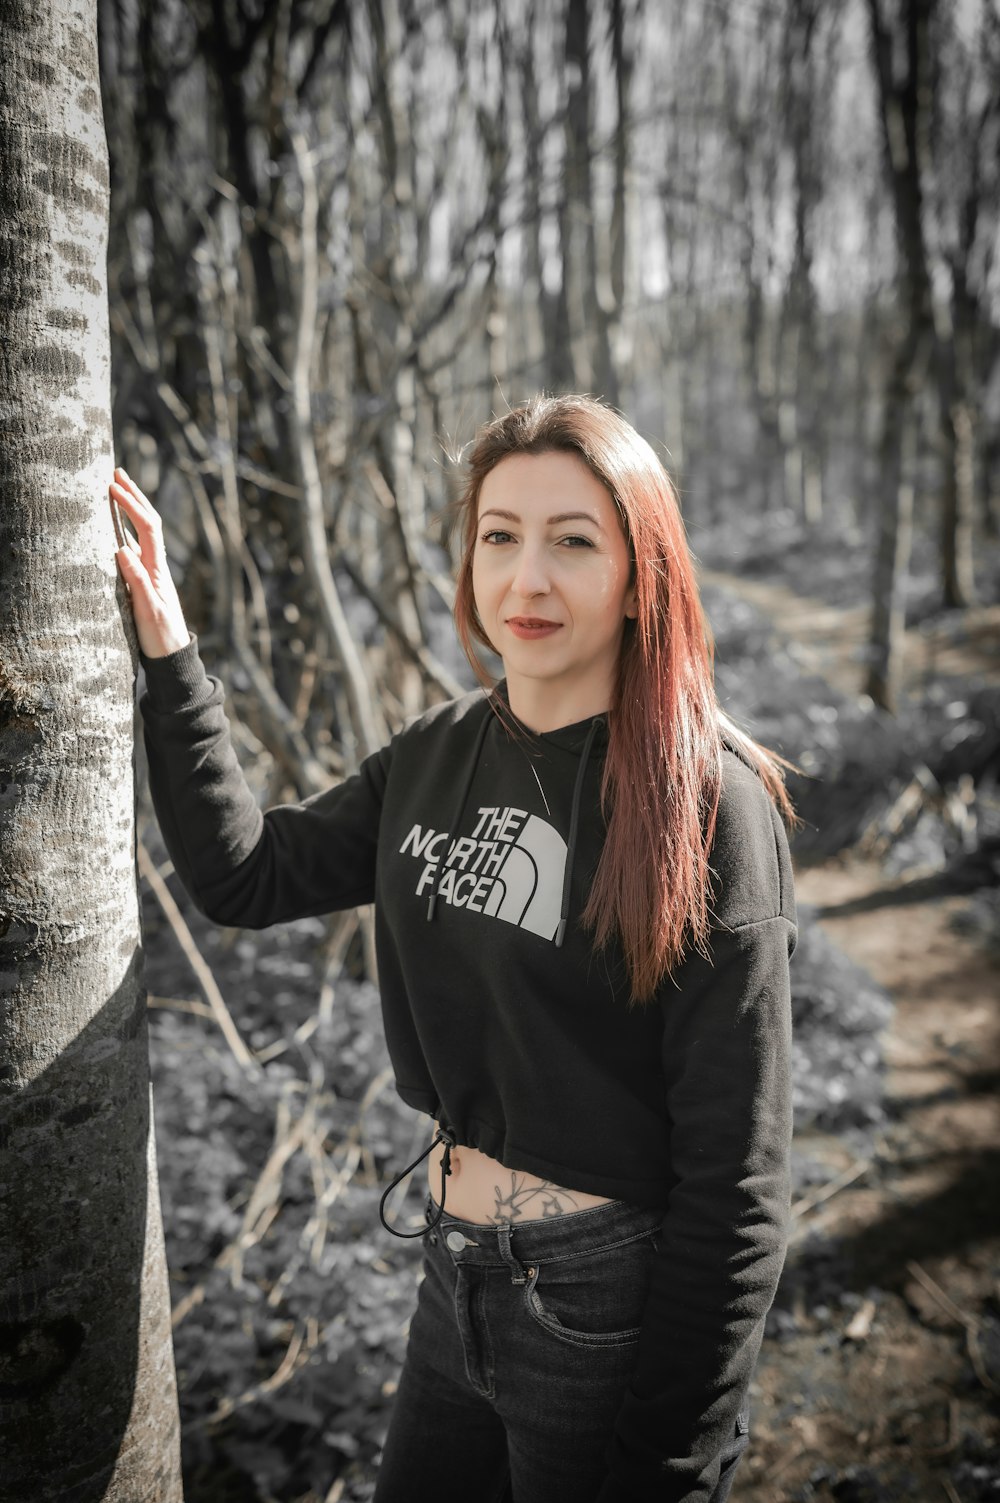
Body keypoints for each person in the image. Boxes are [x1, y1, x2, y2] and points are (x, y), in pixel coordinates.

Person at [110, 393, 799, 1503]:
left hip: (605, 1303)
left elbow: (740, 1180)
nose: (527, 579)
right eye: (499, 537)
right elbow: (245, 875)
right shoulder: (435, 753)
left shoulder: (703, 801)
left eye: (573, 542)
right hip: (453, 1273)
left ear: (642, 575)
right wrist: (172, 656)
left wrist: (673, 1456)